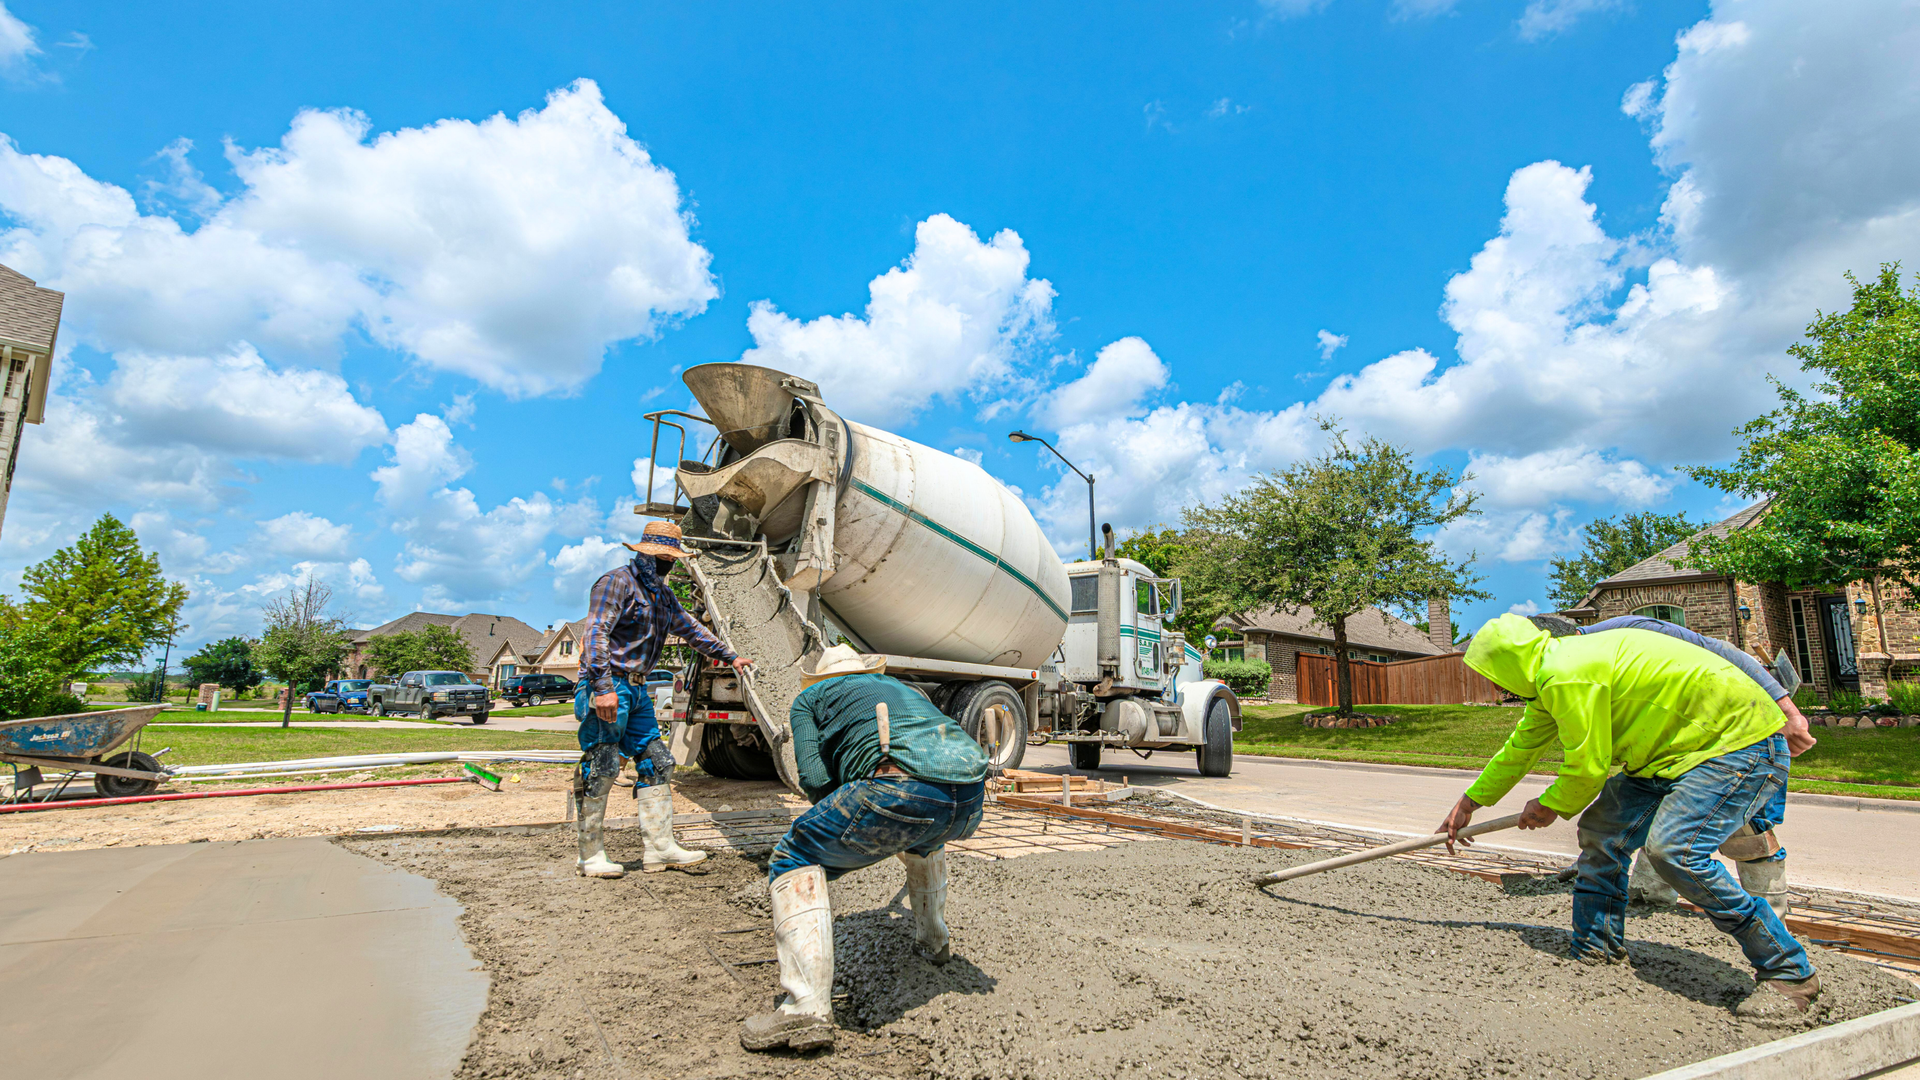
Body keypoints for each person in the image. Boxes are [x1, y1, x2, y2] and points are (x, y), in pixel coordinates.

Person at [1439, 614, 1819, 1014]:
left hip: (1737, 744)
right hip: (1668, 754)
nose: (1496, 686)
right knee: (1603, 833)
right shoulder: (1552, 676)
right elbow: (1518, 750)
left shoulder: (1568, 672)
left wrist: (1550, 804)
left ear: (1508, 663)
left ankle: (1790, 971)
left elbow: (1587, 769)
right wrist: (1469, 803)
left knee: (1676, 852)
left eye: (1493, 675)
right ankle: (1595, 947)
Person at [740, 645, 989, 1053]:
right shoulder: (900, 687)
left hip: (898, 789)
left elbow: (815, 777)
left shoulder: (810, 698)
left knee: (793, 855)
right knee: (924, 844)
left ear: (822, 678)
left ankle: (805, 1008)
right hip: (969, 800)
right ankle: (934, 942)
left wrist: (853, 815)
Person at [1532, 614, 1815, 913]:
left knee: (1749, 830)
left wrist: (1789, 712)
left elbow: (1723, 651)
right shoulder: (1579, 671)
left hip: (1743, 717)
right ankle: (1648, 900)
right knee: (1663, 814)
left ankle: (1771, 916)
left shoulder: (1631, 631)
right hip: (1682, 734)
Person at [574, 520, 752, 879]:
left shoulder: (663, 596)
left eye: (671, 558)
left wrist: (731, 656)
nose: (668, 564)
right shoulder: (617, 583)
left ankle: (659, 848)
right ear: (646, 555)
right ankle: (590, 855)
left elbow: (691, 628)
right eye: (663, 558)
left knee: (658, 761)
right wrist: (604, 687)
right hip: (611, 685)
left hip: (638, 690)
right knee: (604, 763)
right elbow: (595, 633)